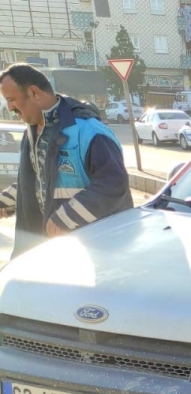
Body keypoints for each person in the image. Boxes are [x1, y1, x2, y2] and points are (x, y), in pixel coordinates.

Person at [0, 63, 132, 257]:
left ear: (34, 92)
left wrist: (65, 218)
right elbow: (41, 181)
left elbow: (114, 184)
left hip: (96, 251)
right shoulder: (35, 131)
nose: (10, 108)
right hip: (53, 251)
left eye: (12, 99)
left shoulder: (89, 131)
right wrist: (5, 201)